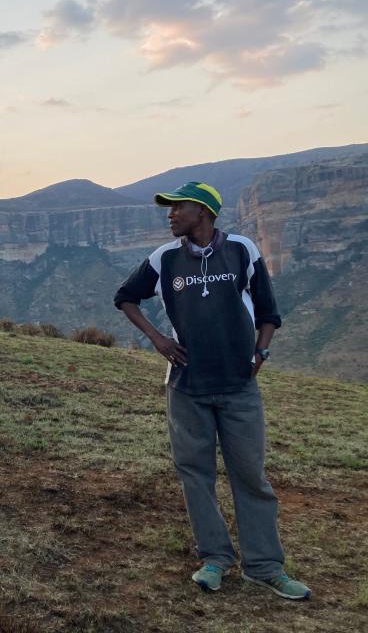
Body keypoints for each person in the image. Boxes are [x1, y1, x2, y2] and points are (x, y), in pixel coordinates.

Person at [113, 181, 311, 601]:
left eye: (176, 208)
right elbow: (126, 297)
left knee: (251, 476)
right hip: (187, 387)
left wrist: (262, 352)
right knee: (195, 475)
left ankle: (265, 566)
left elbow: (269, 311)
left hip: (239, 386)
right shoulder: (164, 257)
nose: (170, 215)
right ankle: (215, 559)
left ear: (201, 211)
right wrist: (158, 340)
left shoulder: (242, 249)